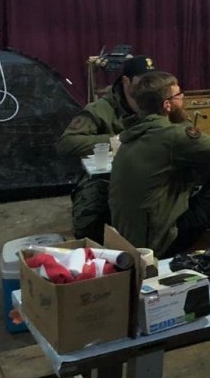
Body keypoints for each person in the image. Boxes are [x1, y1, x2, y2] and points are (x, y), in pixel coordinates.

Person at [109, 71, 210, 257]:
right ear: (167, 105)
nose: (183, 98)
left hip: (132, 239)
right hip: (162, 240)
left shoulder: (132, 135)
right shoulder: (171, 136)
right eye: (178, 95)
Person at [57, 54, 156, 241]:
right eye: (142, 81)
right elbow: (67, 143)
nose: (148, 87)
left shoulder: (158, 103)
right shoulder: (102, 109)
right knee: (89, 222)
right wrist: (114, 141)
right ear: (126, 81)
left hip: (150, 173)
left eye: (152, 81)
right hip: (107, 177)